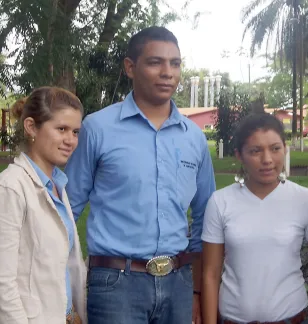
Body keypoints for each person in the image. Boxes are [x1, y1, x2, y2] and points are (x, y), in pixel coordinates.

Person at [64, 26, 216, 324]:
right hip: (115, 285)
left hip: (179, 283)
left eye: (175, 63)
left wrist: (197, 291)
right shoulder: (97, 129)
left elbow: (205, 218)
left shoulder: (193, 138)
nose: (168, 72)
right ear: (130, 67)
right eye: (155, 62)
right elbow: (67, 210)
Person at [0, 87, 86, 324]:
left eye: (75, 131)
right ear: (31, 127)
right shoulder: (9, 190)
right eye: (61, 129)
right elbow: (2, 286)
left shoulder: (56, 186)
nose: (70, 140)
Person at [201, 113, 308, 324]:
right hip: (232, 318)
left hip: (293, 318)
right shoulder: (221, 201)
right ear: (239, 155)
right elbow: (210, 275)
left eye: (275, 148)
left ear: (285, 148)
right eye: (255, 151)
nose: (267, 159)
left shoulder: (305, 199)